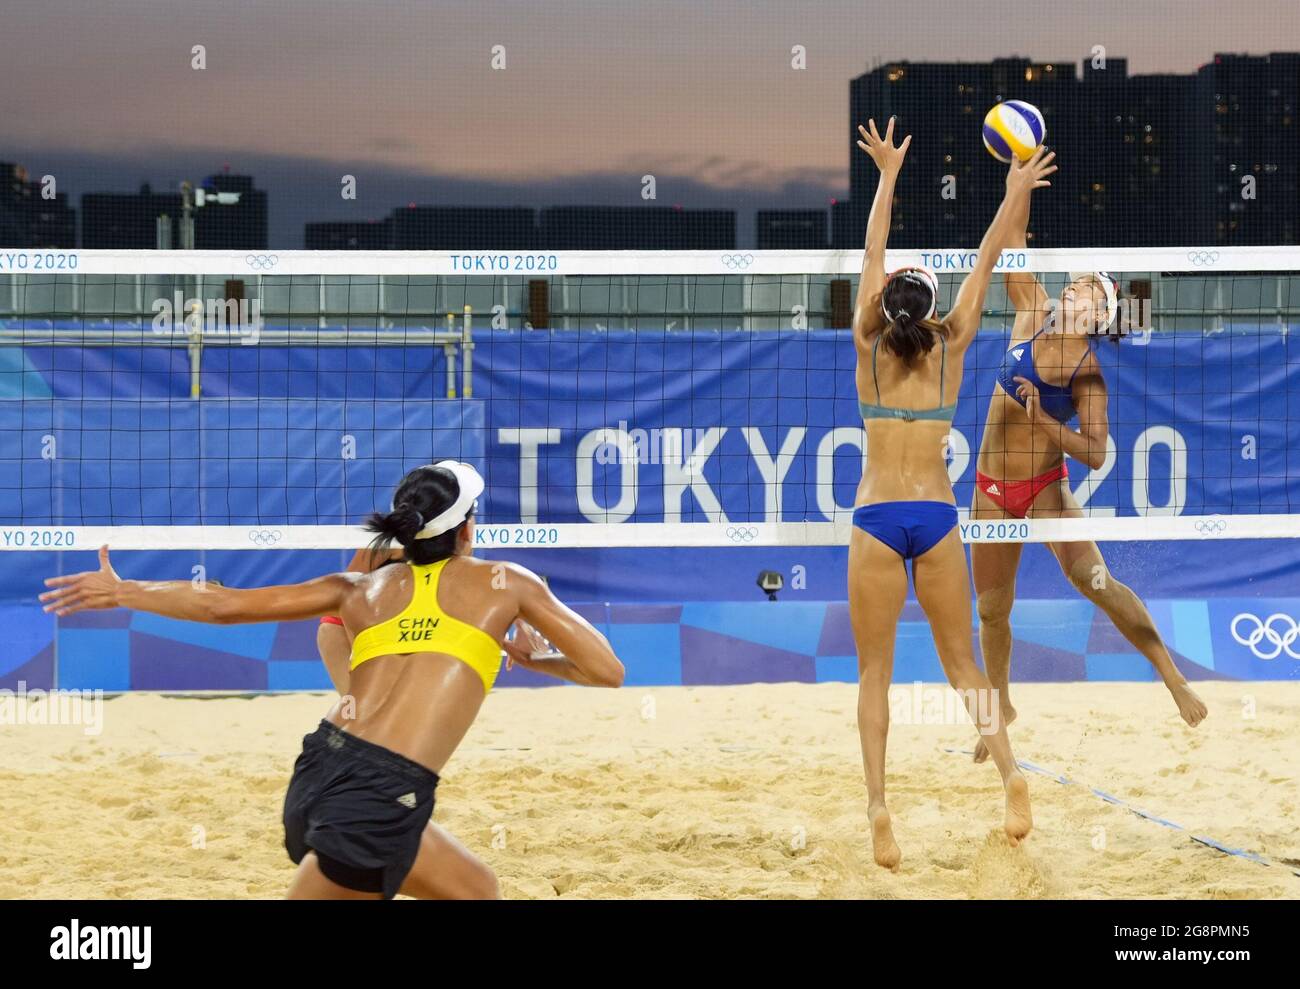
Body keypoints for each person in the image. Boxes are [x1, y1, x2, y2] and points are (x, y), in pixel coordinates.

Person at [42, 460, 625, 899]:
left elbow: (224, 606)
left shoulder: (357, 588)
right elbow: (607, 670)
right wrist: (531, 659)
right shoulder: (509, 583)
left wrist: (124, 590)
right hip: (375, 794)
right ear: (468, 528)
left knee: (477, 891)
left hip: (320, 768)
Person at [848, 118, 1055, 868]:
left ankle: (878, 807)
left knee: (875, 672)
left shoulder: (867, 345)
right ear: (931, 308)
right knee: (964, 667)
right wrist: (1013, 188)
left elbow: (872, 251)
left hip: (876, 516)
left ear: (886, 306)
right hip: (936, 517)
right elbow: (990, 252)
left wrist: (886, 176)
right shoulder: (954, 343)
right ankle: (1012, 772)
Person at [968, 231, 1208, 764]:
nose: (1077, 289)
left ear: (1100, 317)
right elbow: (1013, 250)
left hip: (1046, 489)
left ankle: (1173, 679)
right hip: (991, 489)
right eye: (1076, 283)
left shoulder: (1089, 378)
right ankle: (1001, 706)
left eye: (1091, 292)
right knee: (991, 609)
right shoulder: (1032, 314)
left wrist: (1043, 422)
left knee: (1096, 582)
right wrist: (1020, 177)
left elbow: (1095, 455)